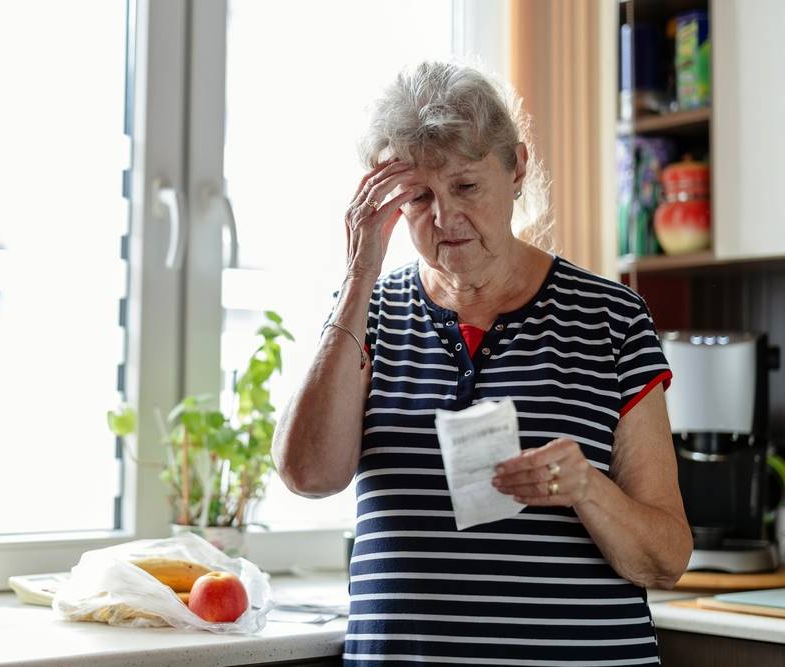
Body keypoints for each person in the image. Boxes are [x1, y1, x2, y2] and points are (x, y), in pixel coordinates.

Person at [272, 61, 692, 666]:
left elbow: (667, 558)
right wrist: (359, 275)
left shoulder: (612, 318)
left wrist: (586, 489)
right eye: (418, 196)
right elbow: (308, 475)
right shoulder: (369, 312)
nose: (444, 218)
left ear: (516, 168)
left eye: (465, 186)